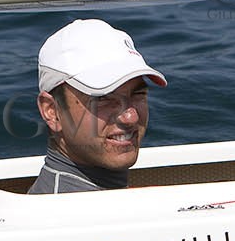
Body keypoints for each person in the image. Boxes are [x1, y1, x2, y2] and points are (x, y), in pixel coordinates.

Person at [29, 19, 165, 194]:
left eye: (138, 94)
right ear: (52, 111)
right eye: (103, 98)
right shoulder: (68, 209)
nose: (131, 117)